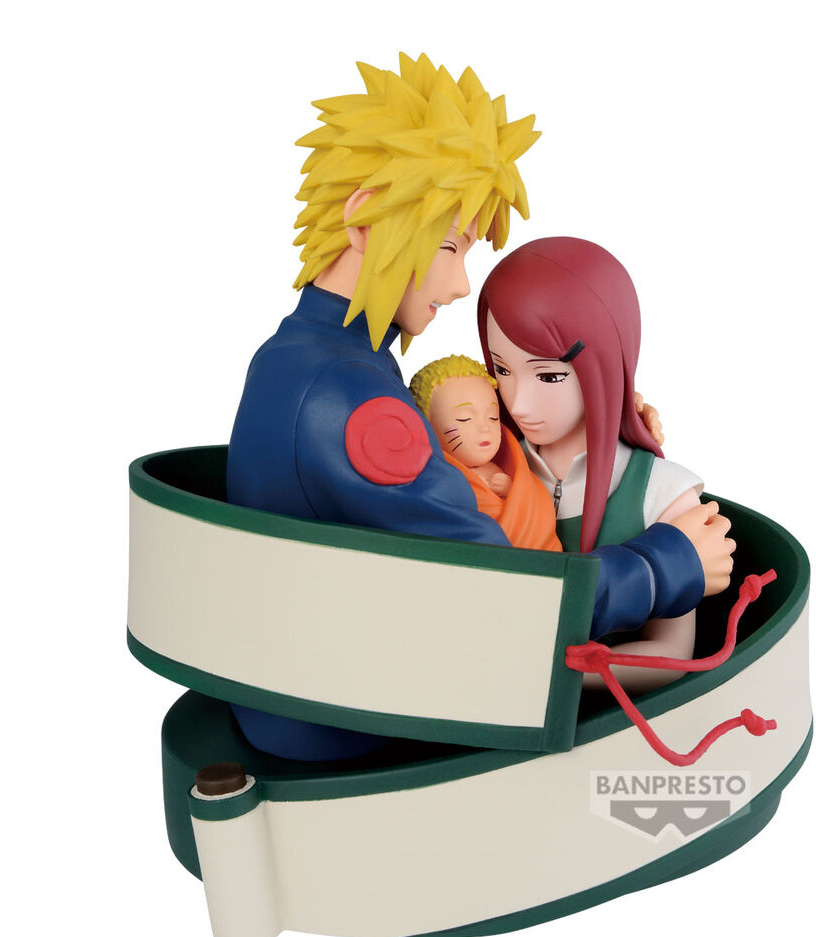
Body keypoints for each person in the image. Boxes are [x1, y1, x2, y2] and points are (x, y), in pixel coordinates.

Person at [226, 55, 733, 759]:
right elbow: (503, 600)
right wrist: (667, 563)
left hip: (297, 682)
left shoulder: (290, 359)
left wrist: (604, 406)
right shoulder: (354, 401)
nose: (461, 284)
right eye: (448, 246)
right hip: (347, 716)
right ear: (364, 219)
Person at [479, 236, 732, 692]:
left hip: (612, 720)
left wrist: (535, 674)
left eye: (549, 375)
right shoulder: (487, 469)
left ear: (606, 364)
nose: (518, 402)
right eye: (502, 369)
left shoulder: (662, 493)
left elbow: (671, 655)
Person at [409, 355, 560, 551]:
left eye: (493, 417)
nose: (484, 428)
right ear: (426, 425)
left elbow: (530, 504)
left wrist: (508, 488)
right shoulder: (431, 476)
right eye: (464, 419)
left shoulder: (513, 469)